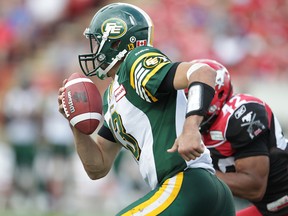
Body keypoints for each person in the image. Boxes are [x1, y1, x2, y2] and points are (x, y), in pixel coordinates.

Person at [57, 3, 235, 216]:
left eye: (97, 41)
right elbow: (98, 167)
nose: (93, 49)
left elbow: (203, 72)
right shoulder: (112, 95)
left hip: (187, 182)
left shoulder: (136, 61)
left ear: (115, 42)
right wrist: (75, 123)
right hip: (197, 190)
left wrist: (191, 128)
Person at [190, 59, 288, 216]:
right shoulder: (196, 129)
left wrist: (199, 176)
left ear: (217, 92)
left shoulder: (240, 113)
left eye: (192, 96)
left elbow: (255, 187)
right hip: (270, 207)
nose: (189, 103)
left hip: (280, 201)